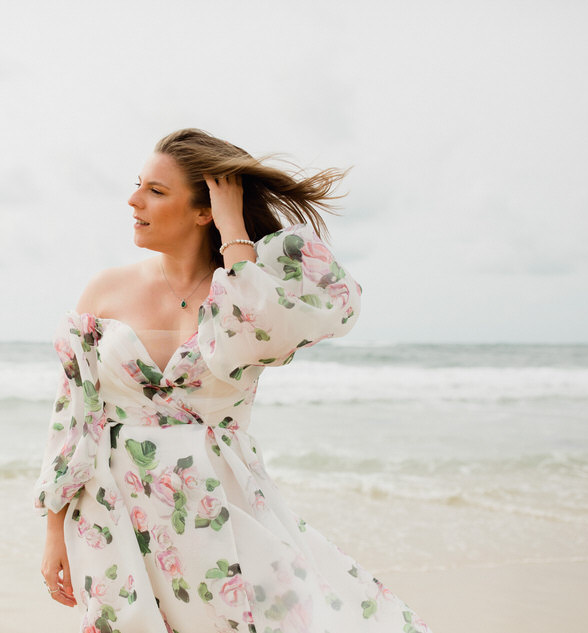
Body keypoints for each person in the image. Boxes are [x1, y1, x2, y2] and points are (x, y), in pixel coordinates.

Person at [33, 128, 431, 633]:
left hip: (218, 512)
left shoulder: (247, 293)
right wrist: (53, 531)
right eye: (139, 185)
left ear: (204, 211)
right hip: (111, 512)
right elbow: (73, 417)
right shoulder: (105, 290)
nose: (133, 200)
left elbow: (261, 326)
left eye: (156, 191)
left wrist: (233, 230)